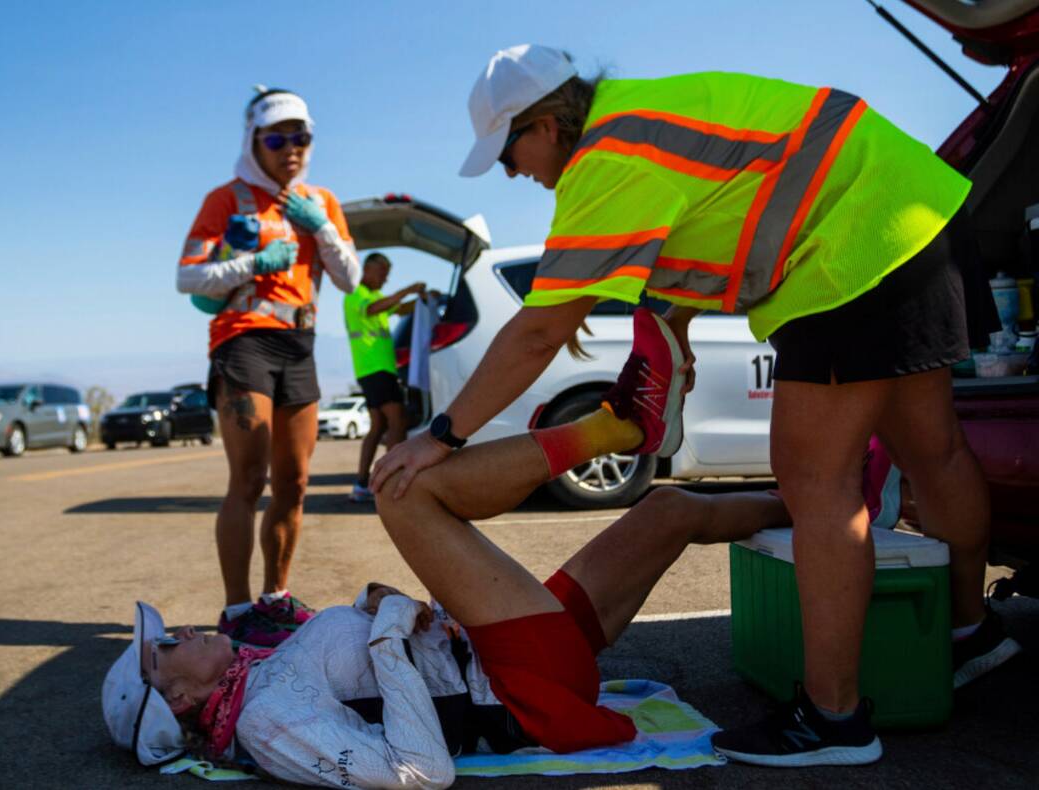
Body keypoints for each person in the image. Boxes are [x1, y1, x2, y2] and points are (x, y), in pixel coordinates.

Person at [371, 45, 1012, 767]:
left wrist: (442, 434)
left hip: (847, 250)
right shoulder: (644, 112)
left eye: (508, 153)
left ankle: (834, 721)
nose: (514, 171)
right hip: (915, 202)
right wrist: (670, 325)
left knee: (816, 485)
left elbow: (540, 330)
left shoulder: (605, 161)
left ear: (546, 125)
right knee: (936, 451)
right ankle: (970, 631)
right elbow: (720, 203)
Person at [103, 382, 795, 787]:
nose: (182, 630)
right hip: (518, 681)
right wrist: (388, 630)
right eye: (166, 648)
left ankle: (820, 498)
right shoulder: (264, 725)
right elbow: (419, 771)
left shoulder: (260, 677)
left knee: (666, 510)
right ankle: (609, 429)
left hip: (505, 648)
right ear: (184, 700)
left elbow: (356, 678)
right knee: (402, 490)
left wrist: (372, 611)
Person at [176, 87, 360, 646]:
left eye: (300, 136)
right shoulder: (225, 199)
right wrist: (252, 261)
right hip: (243, 338)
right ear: (253, 141)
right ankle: (236, 611)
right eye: (277, 138)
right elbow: (187, 277)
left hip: (299, 343)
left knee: (295, 483)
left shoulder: (322, 201)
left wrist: (320, 228)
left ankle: (275, 599)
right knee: (249, 477)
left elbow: (350, 278)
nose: (291, 148)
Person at [344, 252, 426, 502]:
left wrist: (423, 300)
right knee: (397, 420)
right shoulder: (356, 294)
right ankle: (387, 481)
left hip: (376, 370)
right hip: (375, 369)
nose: (385, 279)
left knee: (378, 425)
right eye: (382, 273)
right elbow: (374, 309)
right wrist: (408, 289)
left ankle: (362, 484)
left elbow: (398, 308)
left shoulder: (377, 296)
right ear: (367, 270)